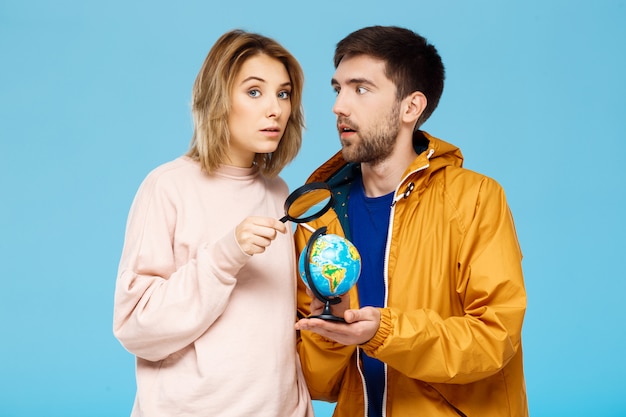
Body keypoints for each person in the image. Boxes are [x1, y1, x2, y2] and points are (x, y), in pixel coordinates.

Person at [294, 25, 528, 417]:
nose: (339, 106)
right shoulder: (320, 216)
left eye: (361, 89)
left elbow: (494, 338)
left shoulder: (475, 199)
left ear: (411, 107)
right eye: (338, 89)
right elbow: (319, 384)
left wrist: (382, 332)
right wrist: (328, 332)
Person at [113, 29, 313, 417]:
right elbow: (136, 327)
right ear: (217, 99)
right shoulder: (167, 186)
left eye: (283, 93)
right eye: (254, 92)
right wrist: (225, 256)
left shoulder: (279, 192)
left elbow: (273, 327)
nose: (274, 108)